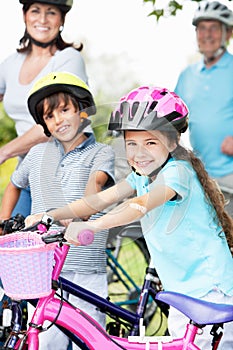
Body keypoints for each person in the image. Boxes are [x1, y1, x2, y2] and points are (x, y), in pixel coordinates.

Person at [26, 86, 233, 350]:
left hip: (210, 293)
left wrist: (93, 225)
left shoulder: (178, 173)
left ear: (171, 142)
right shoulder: (142, 176)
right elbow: (99, 199)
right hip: (182, 294)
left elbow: (139, 205)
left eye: (150, 142)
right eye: (131, 143)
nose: (139, 153)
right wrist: (50, 214)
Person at [0, 71, 115, 350]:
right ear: (45, 124)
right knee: (45, 340)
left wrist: (65, 215)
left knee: (89, 342)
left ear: (83, 112)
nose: (58, 120)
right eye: (50, 116)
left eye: (65, 110)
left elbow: (95, 189)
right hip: (46, 272)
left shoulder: (101, 153)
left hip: (86, 270)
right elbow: (14, 185)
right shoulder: (37, 154)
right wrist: (3, 223)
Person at [0, 0, 89, 217]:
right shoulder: (10, 64)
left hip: (67, 168)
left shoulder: (68, 59)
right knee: (11, 240)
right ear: (24, 15)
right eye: (35, 11)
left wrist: (4, 151)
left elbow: (55, 124)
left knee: (52, 242)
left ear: (61, 19)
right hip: (29, 168)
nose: (42, 19)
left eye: (51, 13)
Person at [174, 1, 233, 216]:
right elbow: (171, 119)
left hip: (230, 175)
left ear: (228, 34)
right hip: (200, 176)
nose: (207, 34)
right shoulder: (187, 75)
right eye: (202, 28)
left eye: (214, 28)